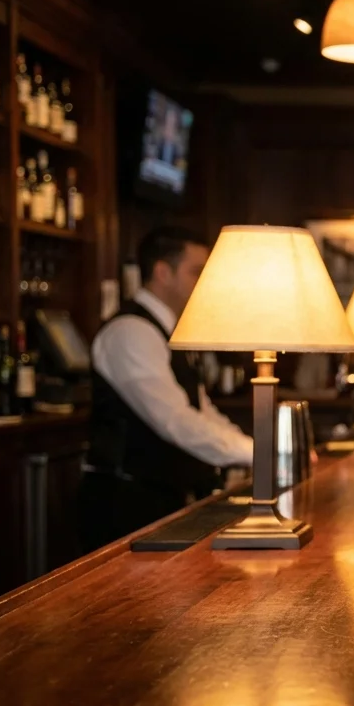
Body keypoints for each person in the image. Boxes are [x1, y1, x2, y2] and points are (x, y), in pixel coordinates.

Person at [81, 226, 253, 551]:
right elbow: (174, 420)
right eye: (196, 272)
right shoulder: (130, 332)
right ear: (163, 272)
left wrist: (254, 449)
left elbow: (201, 410)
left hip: (163, 498)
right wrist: (255, 453)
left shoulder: (169, 331)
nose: (205, 282)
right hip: (124, 504)